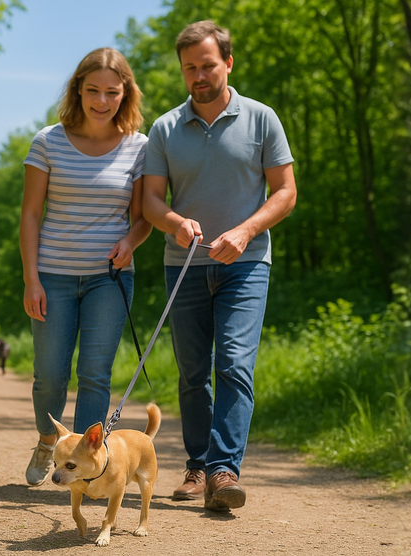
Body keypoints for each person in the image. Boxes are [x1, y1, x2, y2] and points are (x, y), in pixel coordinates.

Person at [141, 21, 297, 511]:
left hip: (246, 263)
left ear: (227, 62)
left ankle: (224, 470)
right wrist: (174, 223)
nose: (198, 75)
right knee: (191, 373)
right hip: (182, 265)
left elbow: (286, 192)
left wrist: (246, 230)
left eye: (207, 65)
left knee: (233, 363)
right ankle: (197, 465)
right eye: (190, 67)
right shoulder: (165, 127)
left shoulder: (262, 119)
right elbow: (149, 200)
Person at [19, 47, 153, 487]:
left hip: (108, 280)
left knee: (95, 373)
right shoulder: (48, 141)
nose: (101, 101)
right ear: (78, 89)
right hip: (52, 278)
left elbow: (142, 216)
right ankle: (47, 440)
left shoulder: (139, 146)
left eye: (111, 92)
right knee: (50, 376)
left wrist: (130, 243)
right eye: (92, 90)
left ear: (125, 93)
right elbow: (31, 215)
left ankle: (88, 463)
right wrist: (31, 279)